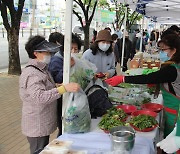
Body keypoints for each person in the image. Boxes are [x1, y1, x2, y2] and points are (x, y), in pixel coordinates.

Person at [106, 34, 180, 139]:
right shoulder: (175, 64)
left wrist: (123, 79)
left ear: (174, 50)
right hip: (173, 108)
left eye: (164, 50)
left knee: (173, 141)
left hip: (175, 111)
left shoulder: (172, 68)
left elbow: (149, 77)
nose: (162, 53)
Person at [19, 35, 80, 154]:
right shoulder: (32, 73)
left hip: (42, 123)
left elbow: (45, 88)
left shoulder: (42, 69)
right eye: (46, 52)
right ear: (36, 53)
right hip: (37, 125)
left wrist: (57, 86)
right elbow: (40, 96)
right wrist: (63, 89)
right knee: (39, 150)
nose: (50, 55)